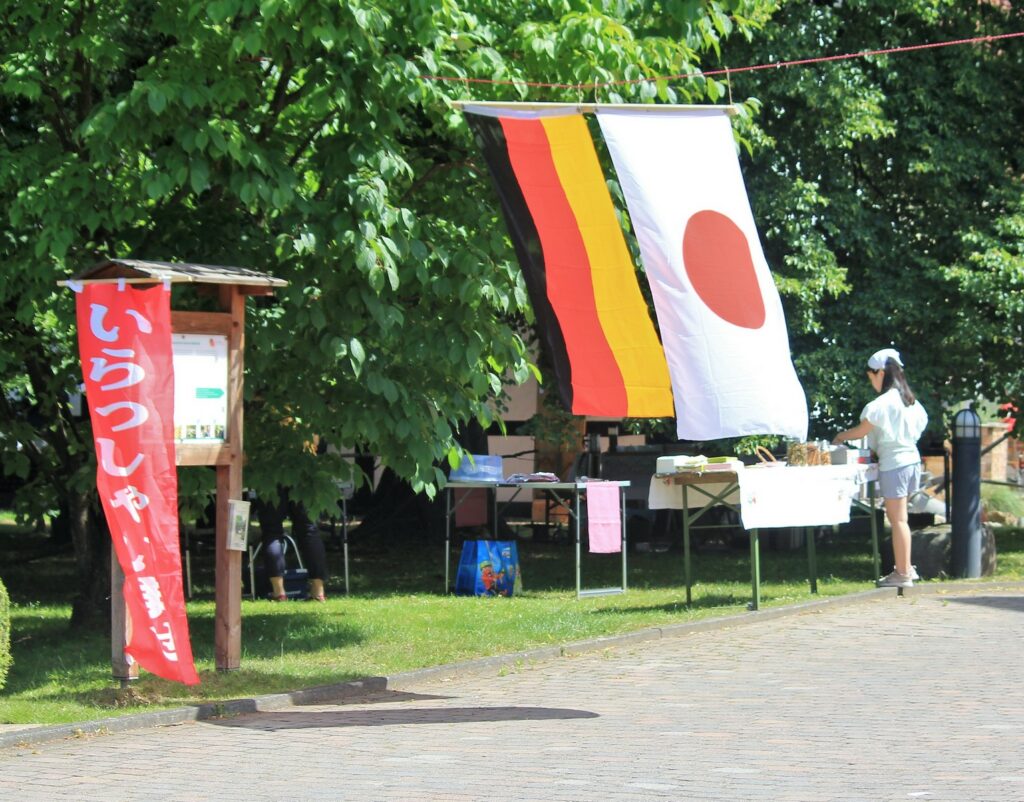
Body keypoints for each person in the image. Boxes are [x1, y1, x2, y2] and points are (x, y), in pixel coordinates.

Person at [833, 348, 928, 588]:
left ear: (881, 373)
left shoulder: (883, 403)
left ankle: (903, 573)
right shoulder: (911, 401)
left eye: (871, 375)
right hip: (911, 462)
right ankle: (906, 568)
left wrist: (840, 436)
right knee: (901, 519)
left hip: (894, 465)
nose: (871, 380)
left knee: (898, 520)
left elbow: (862, 431)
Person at [251, 485, 329, 601]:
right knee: (309, 531)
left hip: (271, 476)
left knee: (272, 532)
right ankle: (318, 591)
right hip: (303, 477)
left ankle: (279, 592)